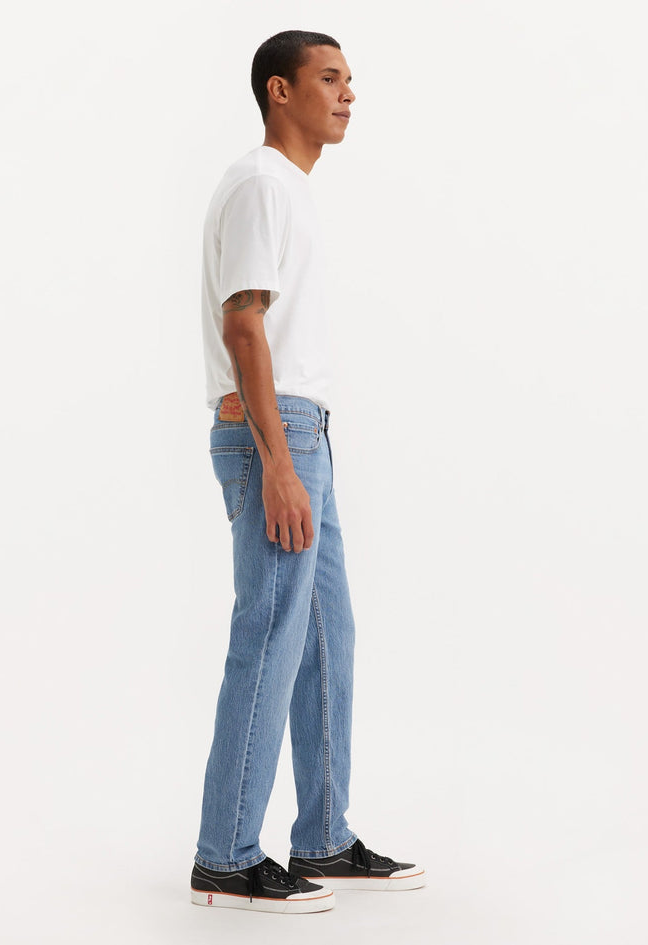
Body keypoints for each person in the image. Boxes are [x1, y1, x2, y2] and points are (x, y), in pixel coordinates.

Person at [191, 29, 426, 914]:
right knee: (270, 632)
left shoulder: (290, 189)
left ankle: (323, 832)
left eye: (350, 79)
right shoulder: (261, 183)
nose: (348, 93)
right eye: (330, 78)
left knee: (328, 635)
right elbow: (243, 325)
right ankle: (225, 855)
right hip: (274, 431)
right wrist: (278, 463)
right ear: (279, 91)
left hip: (304, 430)